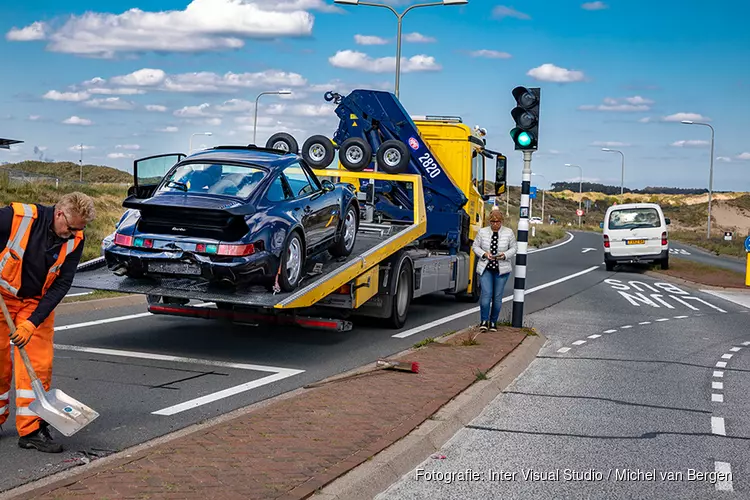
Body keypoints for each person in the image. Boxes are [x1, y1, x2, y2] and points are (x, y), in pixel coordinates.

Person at [0, 192, 96, 453]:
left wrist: (32, 322)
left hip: (35, 302)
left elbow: (62, 283)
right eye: (71, 226)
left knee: (38, 363)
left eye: (80, 228)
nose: (74, 232)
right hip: (2, 297)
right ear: (59, 212)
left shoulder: (76, 237)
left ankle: (31, 429)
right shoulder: (17, 218)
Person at [472, 207, 517, 332]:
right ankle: (484, 320)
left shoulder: (508, 233)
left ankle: (493, 322)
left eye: (497, 222)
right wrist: (484, 254)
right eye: (492, 222)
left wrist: (504, 255)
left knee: (497, 297)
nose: (495, 224)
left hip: (501, 269)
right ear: (489, 222)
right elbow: (475, 246)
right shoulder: (482, 232)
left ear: (501, 222)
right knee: (486, 295)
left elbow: (514, 248)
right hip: (486, 267)